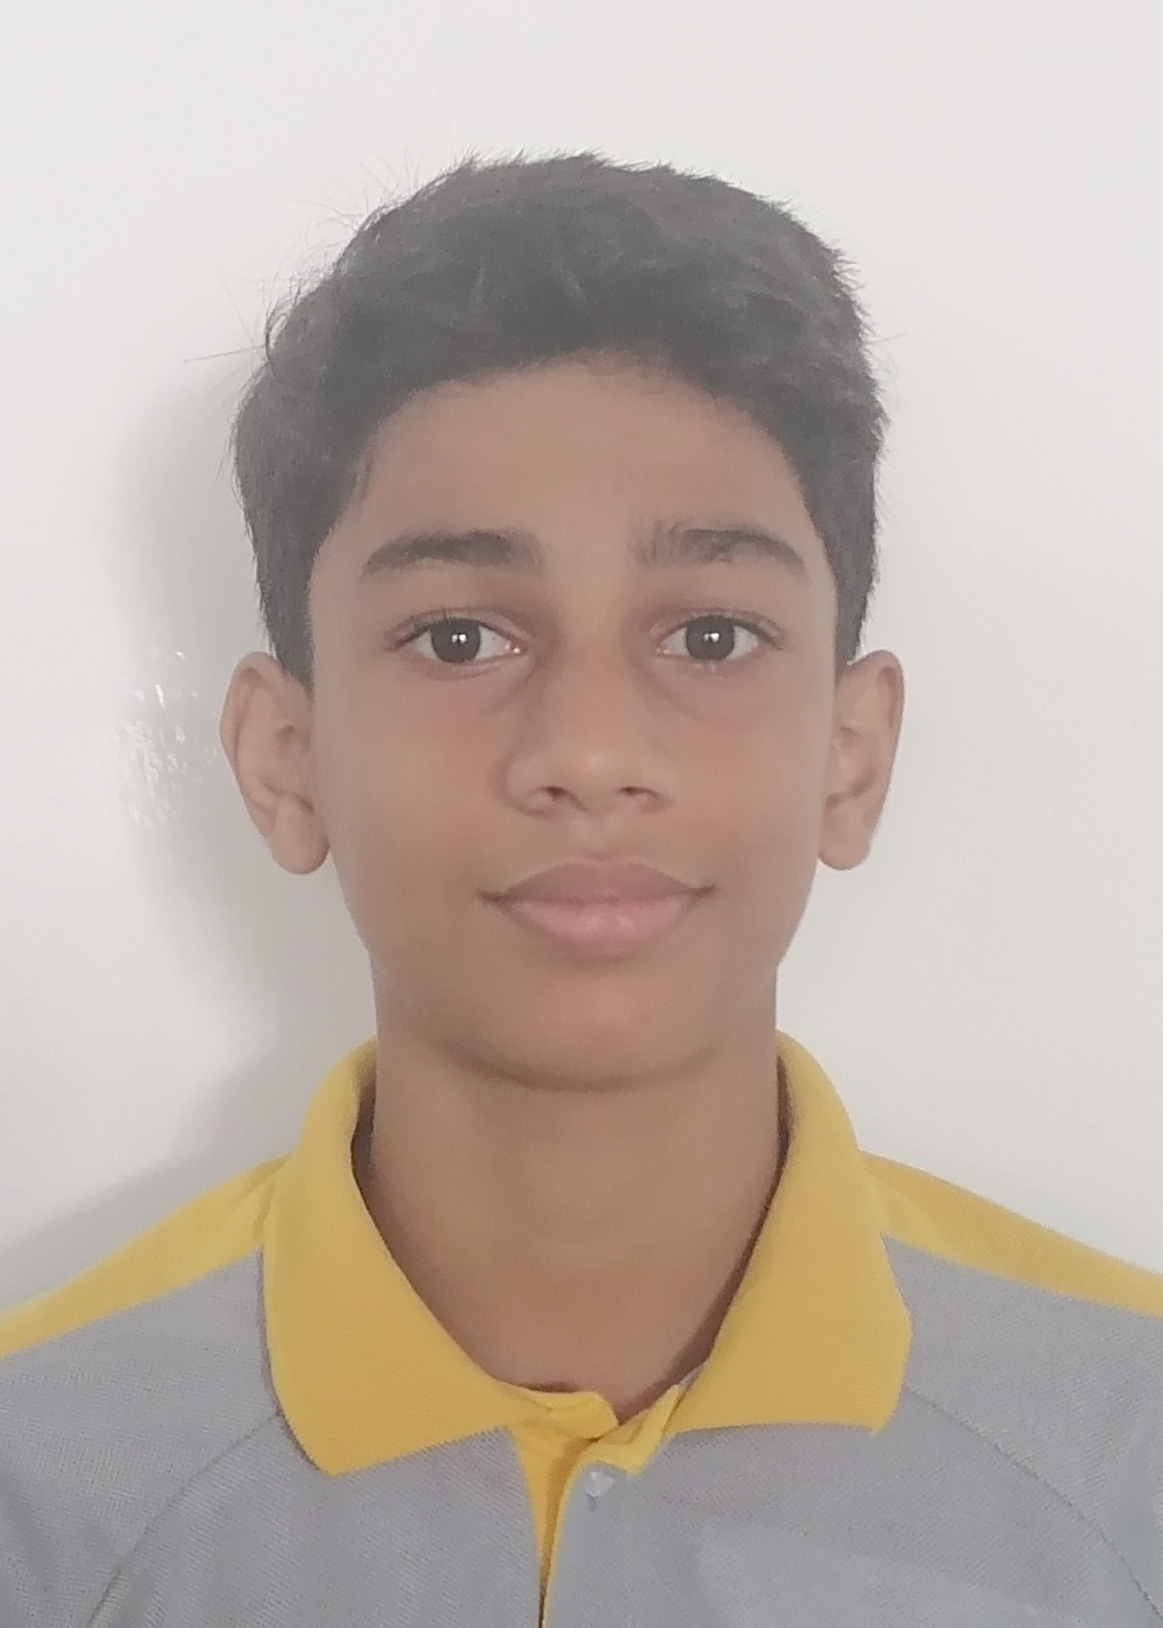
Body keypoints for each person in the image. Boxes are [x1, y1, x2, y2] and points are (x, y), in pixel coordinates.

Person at [1, 149, 1161, 1628]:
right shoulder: (39, 1474)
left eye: (711, 638)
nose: (591, 754)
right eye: (459, 640)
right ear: (286, 762)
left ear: (851, 753)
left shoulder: (1129, 1445)